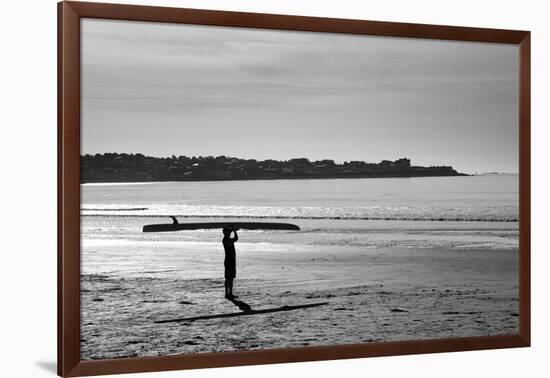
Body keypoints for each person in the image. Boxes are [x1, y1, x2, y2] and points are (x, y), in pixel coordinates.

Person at [222, 227, 238, 299]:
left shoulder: (226, 239)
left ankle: (229, 293)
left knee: (229, 277)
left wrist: (232, 230)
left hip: (230, 259)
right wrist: (234, 231)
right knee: (229, 277)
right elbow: (236, 238)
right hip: (229, 260)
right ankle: (228, 294)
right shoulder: (227, 239)